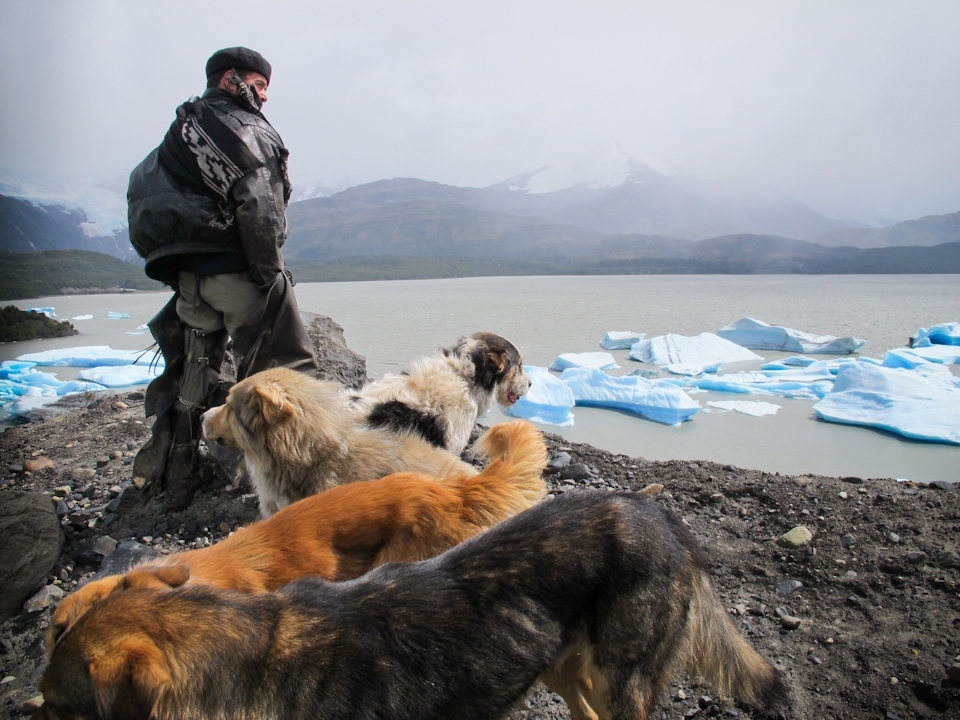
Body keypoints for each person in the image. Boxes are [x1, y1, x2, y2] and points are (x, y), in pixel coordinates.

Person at [127, 47, 318, 512]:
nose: (265, 96)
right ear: (232, 80)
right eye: (260, 84)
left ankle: (178, 476)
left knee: (195, 372)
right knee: (284, 372)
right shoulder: (246, 127)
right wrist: (270, 276)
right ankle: (296, 485)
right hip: (235, 271)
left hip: (190, 279)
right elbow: (260, 204)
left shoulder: (181, 130)